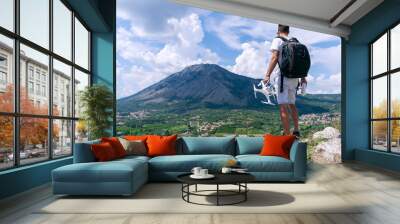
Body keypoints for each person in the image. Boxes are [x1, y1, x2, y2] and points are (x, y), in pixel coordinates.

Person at [263, 24, 307, 137]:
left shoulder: (277, 40)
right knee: (292, 104)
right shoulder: (296, 42)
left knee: (283, 105)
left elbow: (274, 57)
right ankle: (296, 130)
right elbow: (301, 62)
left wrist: (267, 75)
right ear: (288, 31)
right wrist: (303, 77)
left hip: (282, 78)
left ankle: (287, 135)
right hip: (295, 78)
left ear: (278, 31)